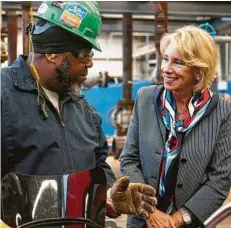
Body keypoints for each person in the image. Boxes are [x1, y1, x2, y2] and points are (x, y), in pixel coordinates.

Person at [1, 1, 157, 224]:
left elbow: (98, 166)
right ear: (53, 53)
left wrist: (110, 194)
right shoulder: (4, 98)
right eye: (83, 54)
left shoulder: (85, 112)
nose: (90, 64)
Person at [120, 25, 231, 228]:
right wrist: (149, 211)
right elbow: (129, 159)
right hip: (142, 221)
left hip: (190, 223)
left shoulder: (222, 113)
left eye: (178, 62)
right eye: (165, 59)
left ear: (198, 71)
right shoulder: (145, 99)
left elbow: (221, 178)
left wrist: (176, 219)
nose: (166, 68)